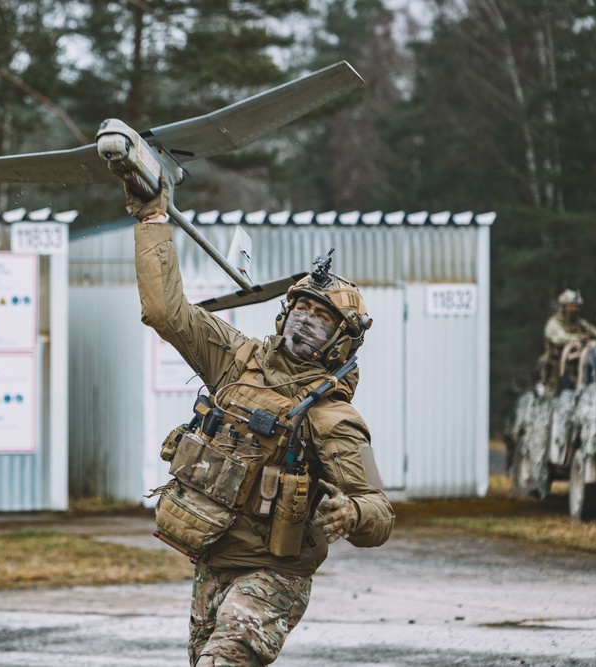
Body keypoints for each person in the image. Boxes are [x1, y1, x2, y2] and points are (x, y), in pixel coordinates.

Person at [127, 183, 395, 667]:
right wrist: (151, 219)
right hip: (213, 559)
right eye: (302, 308)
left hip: (274, 574)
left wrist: (351, 514)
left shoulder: (333, 418)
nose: (306, 320)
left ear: (342, 341)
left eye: (322, 317)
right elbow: (165, 312)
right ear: (284, 313)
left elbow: (379, 510)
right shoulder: (235, 360)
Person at [541, 289, 596, 394]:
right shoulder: (553, 324)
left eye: (576, 306)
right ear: (563, 307)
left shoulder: (580, 323)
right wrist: (578, 338)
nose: (574, 309)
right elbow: (560, 338)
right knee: (553, 394)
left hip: (575, 368)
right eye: (571, 306)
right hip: (555, 368)